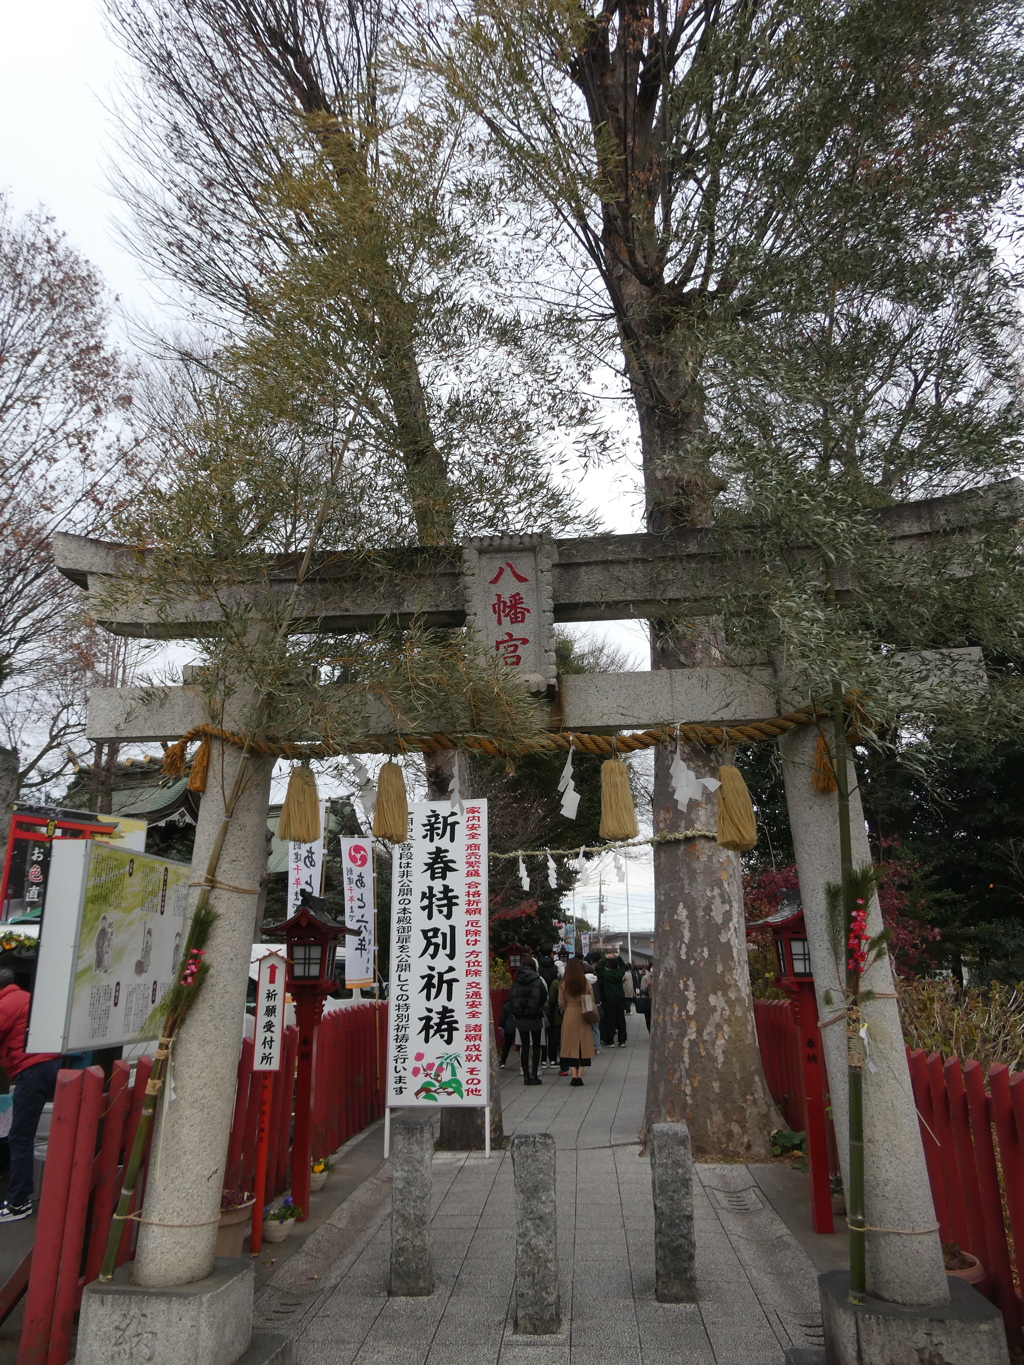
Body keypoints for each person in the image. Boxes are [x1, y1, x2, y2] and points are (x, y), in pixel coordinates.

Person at [0, 969, 61, 1223]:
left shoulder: (7, 1003)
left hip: (31, 1069)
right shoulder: (27, 997)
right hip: (49, 1064)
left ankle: (18, 1201)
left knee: (19, 1136)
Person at [507, 955, 548, 1085]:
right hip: (535, 1016)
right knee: (536, 1046)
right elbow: (543, 997)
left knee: (524, 1046)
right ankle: (535, 1075)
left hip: (521, 1017)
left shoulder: (517, 980)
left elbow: (512, 998)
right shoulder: (537, 979)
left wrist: (517, 1012)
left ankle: (525, 1076)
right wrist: (537, 1006)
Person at [558, 957, 596, 1085]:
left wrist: (565, 1011)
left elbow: (561, 1003)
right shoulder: (585, 982)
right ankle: (580, 1075)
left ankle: (573, 1075)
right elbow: (591, 998)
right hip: (583, 1012)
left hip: (569, 1013)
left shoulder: (564, 984)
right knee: (583, 1045)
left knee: (570, 1044)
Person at [597, 947, 629, 1047]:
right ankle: (622, 1040)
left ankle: (610, 1040)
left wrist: (606, 958)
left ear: (609, 966)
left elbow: (599, 968)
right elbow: (623, 966)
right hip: (619, 998)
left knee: (610, 1019)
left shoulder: (606, 974)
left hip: (609, 998)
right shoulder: (620, 973)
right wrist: (618, 957)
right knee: (621, 1019)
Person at [536, 955, 559, 1066]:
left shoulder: (539, 970)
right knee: (552, 1033)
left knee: (541, 1033)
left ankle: (543, 1059)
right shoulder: (555, 969)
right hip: (553, 1005)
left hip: (541, 1005)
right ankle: (553, 1058)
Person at [498, 993, 517, 1068]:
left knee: (507, 1045)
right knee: (522, 1045)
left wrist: (501, 1026)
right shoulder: (519, 1003)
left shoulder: (506, 1004)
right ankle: (523, 1064)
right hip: (518, 1027)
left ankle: (503, 1062)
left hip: (508, 1028)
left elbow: (502, 1017)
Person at [637, 963, 653, 1033]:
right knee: (648, 1019)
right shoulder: (645, 978)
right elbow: (642, 990)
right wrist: (647, 986)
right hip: (648, 1000)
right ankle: (651, 1032)